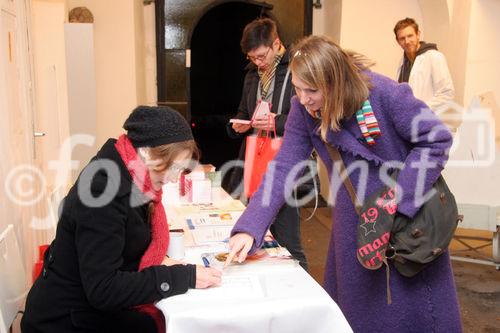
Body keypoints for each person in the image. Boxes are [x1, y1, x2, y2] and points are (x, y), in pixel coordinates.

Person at [225, 36, 462, 332]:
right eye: (297, 88)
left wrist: (398, 202)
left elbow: (436, 139)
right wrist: (251, 226)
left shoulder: (383, 93)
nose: (303, 98)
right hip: (356, 225)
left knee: (412, 312)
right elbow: (284, 166)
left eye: (312, 90)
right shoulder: (302, 108)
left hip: (406, 224)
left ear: (336, 81)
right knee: (361, 314)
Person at [21, 106, 222, 333]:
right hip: (64, 320)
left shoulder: (131, 175)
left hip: (83, 307)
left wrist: (162, 265)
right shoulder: (101, 191)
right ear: (148, 154)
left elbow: (122, 244)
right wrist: (182, 277)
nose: (175, 179)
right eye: (173, 168)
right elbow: (103, 290)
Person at [225, 17, 308, 269]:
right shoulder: (252, 74)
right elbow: (243, 110)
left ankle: (304, 294)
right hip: (254, 158)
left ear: (276, 44)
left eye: (261, 56)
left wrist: (277, 123)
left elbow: (306, 118)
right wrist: (239, 124)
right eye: (252, 58)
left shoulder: (296, 69)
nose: (258, 62)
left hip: (283, 158)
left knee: (287, 238)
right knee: (256, 230)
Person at [394, 17, 461, 132]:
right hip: (411, 126)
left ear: (418, 34)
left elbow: (447, 93)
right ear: (397, 41)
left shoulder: (434, 57)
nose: (407, 41)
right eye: (402, 38)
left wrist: (419, 109)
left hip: (432, 124)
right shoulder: (402, 64)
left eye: (410, 36)